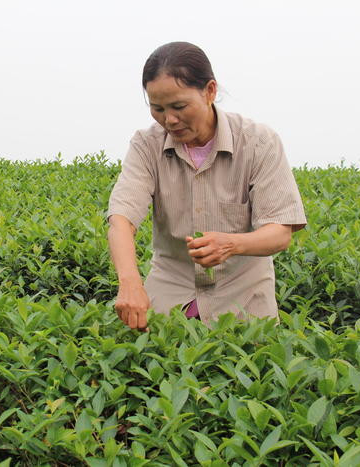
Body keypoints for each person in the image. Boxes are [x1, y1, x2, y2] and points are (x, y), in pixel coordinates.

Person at [107, 41, 307, 330]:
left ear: (210, 91)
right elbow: (122, 220)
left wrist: (232, 244)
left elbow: (280, 233)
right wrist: (129, 283)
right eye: (158, 108)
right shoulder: (146, 145)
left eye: (179, 106)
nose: (170, 120)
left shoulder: (258, 142)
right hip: (170, 293)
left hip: (243, 299)